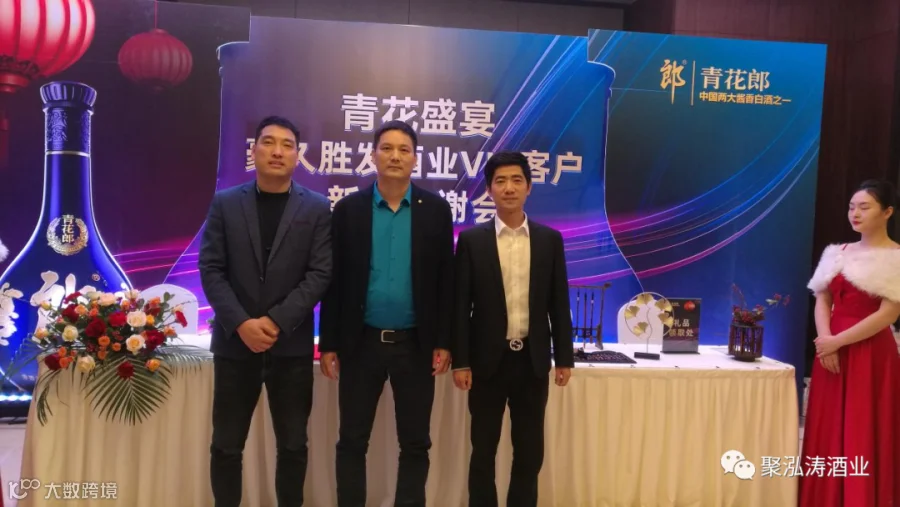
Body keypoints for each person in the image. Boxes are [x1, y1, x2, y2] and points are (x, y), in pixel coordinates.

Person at [318, 120, 455, 507]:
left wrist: (444, 340)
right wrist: (329, 342)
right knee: (351, 440)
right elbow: (335, 282)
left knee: (415, 443)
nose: (395, 156)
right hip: (361, 342)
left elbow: (446, 281)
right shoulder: (349, 210)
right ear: (373, 155)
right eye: (387, 148)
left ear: (415, 159)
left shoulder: (436, 210)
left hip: (415, 345)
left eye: (404, 149)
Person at [199, 116, 332, 507]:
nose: (277, 151)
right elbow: (211, 268)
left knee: (292, 445)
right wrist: (241, 323)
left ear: (297, 155)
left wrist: (275, 320)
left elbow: (320, 273)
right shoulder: (226, 203)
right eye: (268, 142)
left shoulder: (317, 207)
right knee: (226, 445)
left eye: (287, 145)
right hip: (234, 345)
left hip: (289, 346)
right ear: (253, 150)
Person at [451, 151, 574, 507]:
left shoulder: (549, 240)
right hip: (486, 363)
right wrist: (461, 361)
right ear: (489, 189)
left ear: (529, 187)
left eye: (517, 180)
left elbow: (558, 302)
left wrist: (564, 357)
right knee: (483, 450)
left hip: (532, 363)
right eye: (500, 181)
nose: (509, 188)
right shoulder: (472, 241)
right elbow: (460, 307)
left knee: (530, 452)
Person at [802, 179, 900, 507]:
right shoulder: (836, 253)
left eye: (864, 207)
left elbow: (889, 314)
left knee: (863, 427)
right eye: (851, 207)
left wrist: (837, 342)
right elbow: (822, 298)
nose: (855, 213)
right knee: (828, 426)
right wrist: (825, 341)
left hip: (871, 352)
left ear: (887, 212)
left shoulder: (897, 257)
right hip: (830, 348)